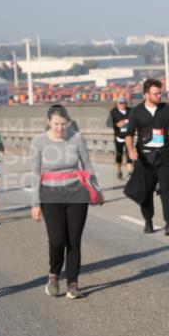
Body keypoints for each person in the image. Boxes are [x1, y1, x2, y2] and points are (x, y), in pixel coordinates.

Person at [29, 105, 103, 300]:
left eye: (63, 124)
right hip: (50, 196)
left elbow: (87, 165)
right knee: (57, 240)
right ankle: (53, 275)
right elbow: (35, 174)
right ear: (48, 122)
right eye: (56, 124)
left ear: (68, 122)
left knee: (74, 241)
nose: (60, 128)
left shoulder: (76, 138)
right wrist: (35, 203)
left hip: (77, 194)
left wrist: (97, 190)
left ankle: (73, 283)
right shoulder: (39, 142)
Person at [123, 78, 169, 235]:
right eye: (155, 94)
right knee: (146, 191)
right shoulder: (136, 112)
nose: (159, 97)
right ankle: (148, 221)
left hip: (163, 156)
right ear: (146, 95)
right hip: (145, 158)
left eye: (160, 93)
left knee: (166, 189)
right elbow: (128, 134)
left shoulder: (166, 109)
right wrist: (130, 150)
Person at [107, 96, 133, 180]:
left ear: (126, 103)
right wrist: (117, 124)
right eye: (120, 103)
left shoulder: (131, 111)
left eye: (123, 103)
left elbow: (136, 121)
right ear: (117, 104)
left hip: (129, 136)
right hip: (119, 137)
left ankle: (129, 173)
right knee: (119, 155)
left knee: (130, 154)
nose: (122, 104)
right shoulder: (113, 112)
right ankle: (119, 171)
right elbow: (108, 123)